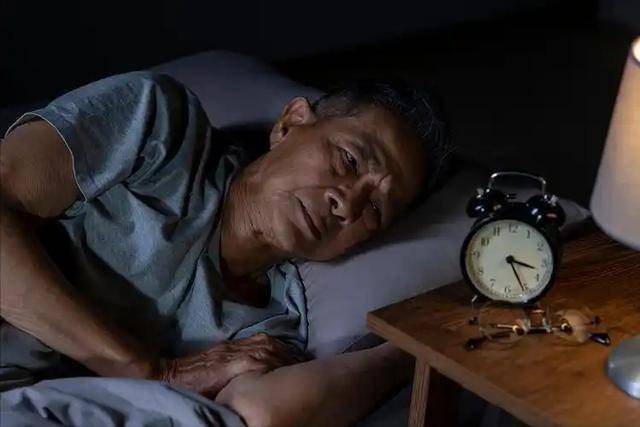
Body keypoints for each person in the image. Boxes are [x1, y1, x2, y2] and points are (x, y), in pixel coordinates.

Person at [0, 72, 450, 426]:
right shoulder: (159, 128)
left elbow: (260, 414)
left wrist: (417, 352)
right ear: (291, 123)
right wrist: (151, 370)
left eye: (374, 209)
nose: (346, 204)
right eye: (349, 160)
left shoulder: (272, 324)